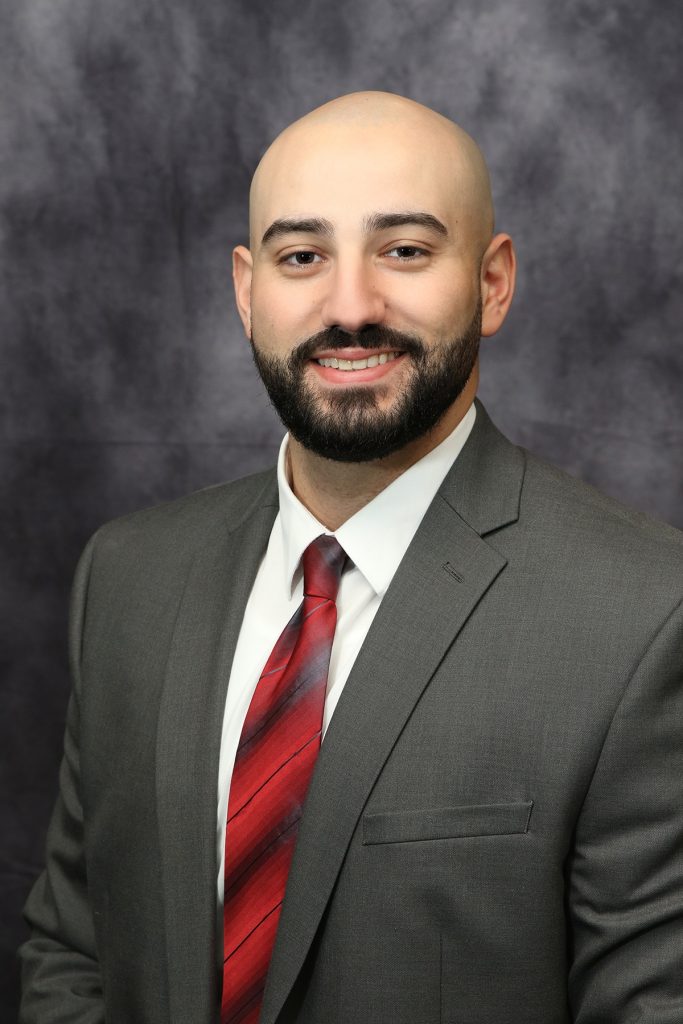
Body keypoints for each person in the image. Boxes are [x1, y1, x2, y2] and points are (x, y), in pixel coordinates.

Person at [20, 91, 683, 1024]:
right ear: (248, 291)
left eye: (404, 251)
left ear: (492, 283)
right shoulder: (128, 578)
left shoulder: (647, 613)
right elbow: (75, 951)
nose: (350, 307)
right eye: (302, 257)